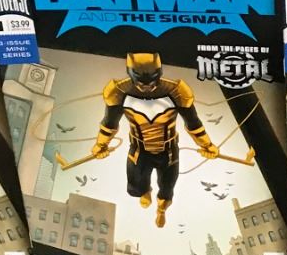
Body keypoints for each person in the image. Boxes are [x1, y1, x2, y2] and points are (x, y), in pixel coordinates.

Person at [81, 51, 218, 227]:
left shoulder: (177, 91)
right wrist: (101, 145)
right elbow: (109, 123)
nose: (147, 87)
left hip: (168, 150)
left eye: (151, 82)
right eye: (141, 83)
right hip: (139, 149)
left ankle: (161, 209)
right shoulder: (119, 91)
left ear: (158, 74)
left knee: (167, 187)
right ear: (132, 76)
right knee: (136, 186)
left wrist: (207, 145)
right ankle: (145, 190)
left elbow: (193, 123)